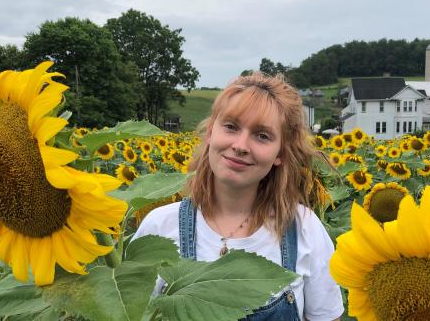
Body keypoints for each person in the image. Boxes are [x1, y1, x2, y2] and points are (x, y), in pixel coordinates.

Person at [134, 73, 344, 320]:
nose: (241, 145)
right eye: (231, 126)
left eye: (262, 135)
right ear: (211, 132)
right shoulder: (160, 227)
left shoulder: (304, 229)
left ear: (280, 154)